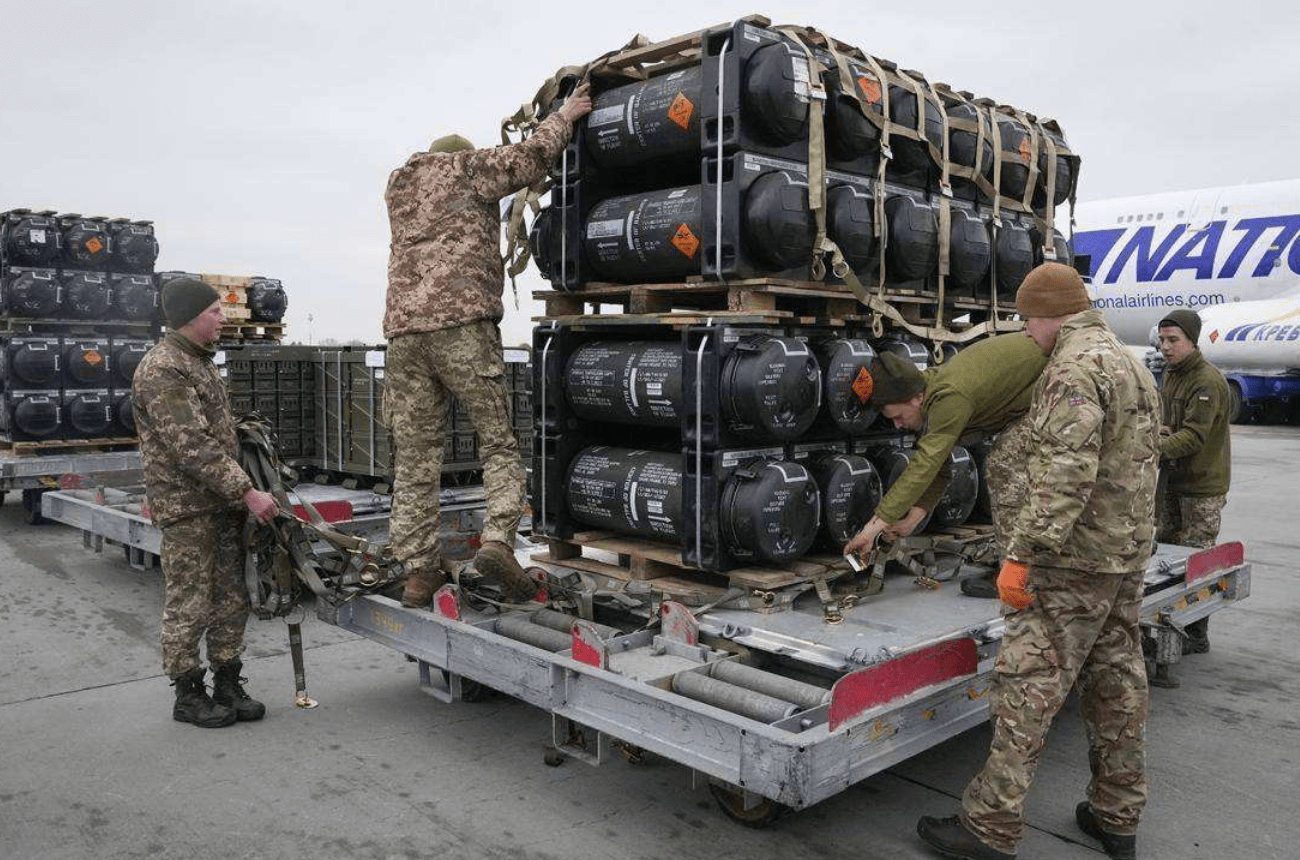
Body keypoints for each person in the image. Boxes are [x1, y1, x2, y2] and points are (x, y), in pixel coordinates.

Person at [917, 263, 1161, 860]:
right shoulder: (1132, 362)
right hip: (1123, 558)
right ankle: (1117, 816)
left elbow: (1066, 471)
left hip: (1071, 563)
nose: (1027, 334)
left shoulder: (1073, 368)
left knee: (1028, 689)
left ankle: (989, 827)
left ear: (1053, 314)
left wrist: (1023, 554)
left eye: (1029, 321)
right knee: (1117, 684)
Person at [383, 82, 593, 608]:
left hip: (404, 335)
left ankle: (417, 573)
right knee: (497, 442)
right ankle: (498, 541)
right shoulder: (468, 170)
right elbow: (527, 159)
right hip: (462, 327)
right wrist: (564, 116)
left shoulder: (399, 186)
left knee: (414, 459)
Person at [133, 278, 279, 728]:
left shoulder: (199, 364)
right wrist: (247, 491)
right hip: (189, 507)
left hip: (220, 504)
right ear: (192, 317)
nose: (223, 319)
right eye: (216, 311)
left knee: (231, 597)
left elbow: (217, 433)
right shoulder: (164, 370)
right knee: (190, 602)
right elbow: (191, 445)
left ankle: (228, 681)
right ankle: (188, 692)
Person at [843, 335, 1048, 596]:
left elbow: (925, 466)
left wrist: (871, 530)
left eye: (898, 416)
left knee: (1004, 465)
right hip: (1033, 397)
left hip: (1054, 387)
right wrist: (910, 522)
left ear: (916, 398)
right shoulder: (929, 395)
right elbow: (938, 464)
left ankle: (1017, 576)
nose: (898, 425)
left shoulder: (948, 397)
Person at [1155, 308, 1231, 654]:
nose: (1165, 347)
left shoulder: (1206, 381)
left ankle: (1197, 633)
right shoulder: (1172, 374)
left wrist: (1150, 448)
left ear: (1192, 341)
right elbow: (1170, 424)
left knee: (1197, 563)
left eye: (1173, 340)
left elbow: (1193, 437)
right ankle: (1169, 623)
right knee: (1167, 559)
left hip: (1201, 487)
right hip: (1173, 481)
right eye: (1162, 339)